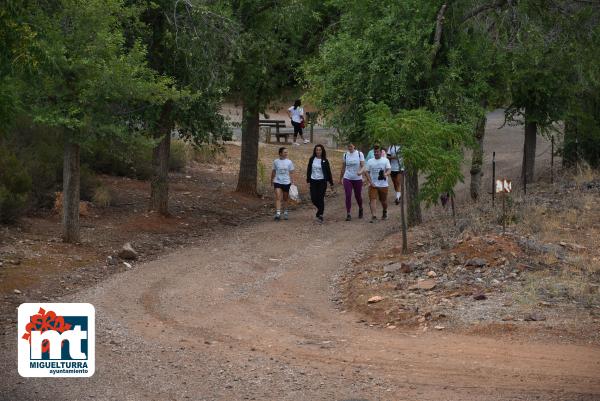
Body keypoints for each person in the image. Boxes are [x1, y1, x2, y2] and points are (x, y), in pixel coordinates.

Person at [306, 144, 334, 223]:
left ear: (322, 151)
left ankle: (320, 214)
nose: (318, 151)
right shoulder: (312, 159)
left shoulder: (325, 160)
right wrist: (308, 180)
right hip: (313, 181)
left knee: (320, 198)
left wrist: (331, 183)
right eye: (317, 150)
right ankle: (320, 209)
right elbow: (309, 169)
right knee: (313, 198)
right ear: (315, 151)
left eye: (320, 150)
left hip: (322, 181)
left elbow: (328, 172)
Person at [365, 145, 391, 222]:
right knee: (372, 199)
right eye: (375, 152)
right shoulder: (370, 161)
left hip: (383, 184)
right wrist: (370, 182)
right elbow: (367, 172)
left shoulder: (385, 160)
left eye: (377, 152)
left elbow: (389, 170)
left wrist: (385, 174)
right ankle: (374, 216)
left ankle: (385, 211)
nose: (376, 153)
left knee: (383, 201)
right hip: (373, 185)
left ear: (380, 152)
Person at [339, 143, 365, 221]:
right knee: (348, 195)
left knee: (358, 196)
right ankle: (348, 213)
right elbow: (343, 167)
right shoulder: (345, 155)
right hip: (347, 177)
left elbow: (363, 165)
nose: (349, 147)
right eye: (348, 146)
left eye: (351, 146)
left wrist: (360, 171)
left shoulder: (359, 154)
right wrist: (341, 178)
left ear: (354, 146)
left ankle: (360, 208)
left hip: (357, 178)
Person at [271, 147, 295, 221]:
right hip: (277, 181)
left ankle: (285, 212)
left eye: (286, 152)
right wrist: (271, 180)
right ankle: (278, 214)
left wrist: (292, 182)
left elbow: (291, 173)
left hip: (286, 182)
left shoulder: (289, 162)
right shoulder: (276, 161)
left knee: (285, 198)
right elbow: (273, 171)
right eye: (285, 152)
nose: (286, 154)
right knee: (278, 197)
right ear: (280, 153)